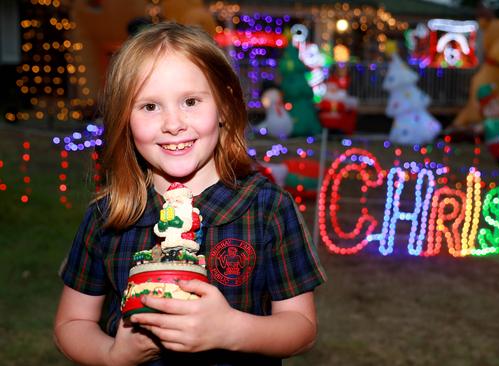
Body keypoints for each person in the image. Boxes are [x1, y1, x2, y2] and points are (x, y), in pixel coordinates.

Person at [53, 22, 326, 365]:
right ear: (125, 118)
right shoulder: (108, 216)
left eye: (191, 101)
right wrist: (114, 355)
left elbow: (301, 327)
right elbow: (71, 322)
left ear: (225, 105)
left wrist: (230, 330)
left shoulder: (268, 208)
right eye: (150, 106)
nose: (173, 123)